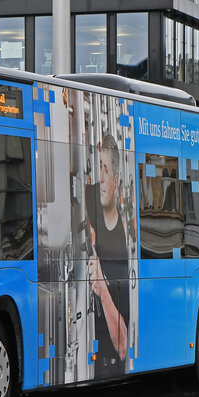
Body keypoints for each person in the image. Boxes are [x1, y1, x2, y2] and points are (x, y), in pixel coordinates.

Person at [85, 134, 130, 378]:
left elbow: (123, 345)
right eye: (97, 167)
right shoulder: (90, 198)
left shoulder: (123, 246)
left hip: (110, 367)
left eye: (106, 168)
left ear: (116, 180)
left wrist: (102, 289)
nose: (100, 176)